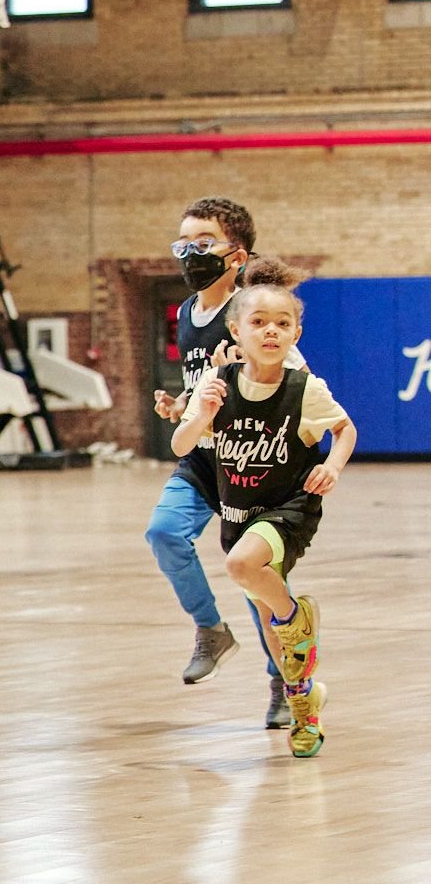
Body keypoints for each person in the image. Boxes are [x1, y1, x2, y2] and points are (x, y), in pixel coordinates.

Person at [171, 266, 353, 758]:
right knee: (272, 627)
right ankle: (303, 705)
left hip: (288, 509)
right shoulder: (218, 384)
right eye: (258, 322)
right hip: (239, 513)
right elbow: (181, 442)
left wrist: (332, 467)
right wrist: (201, 413)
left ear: (295, 333)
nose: (270, 331)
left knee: (242, 569)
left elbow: (345, 428)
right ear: (236, 331)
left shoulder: (303, 388)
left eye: (282, 323)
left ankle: (298, 616)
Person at [147, 198, 290, 728]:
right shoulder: (187, 312)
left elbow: (287, 379)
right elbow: (203, 386)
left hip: (248, 464)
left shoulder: (255, 314)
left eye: (203, 242)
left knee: (255, 579)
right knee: (163, 533)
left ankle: (285, 679)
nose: (189, 253)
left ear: (237, 255)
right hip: (203, 461)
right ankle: (210, 628)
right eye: (182, 243)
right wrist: (181, 404)